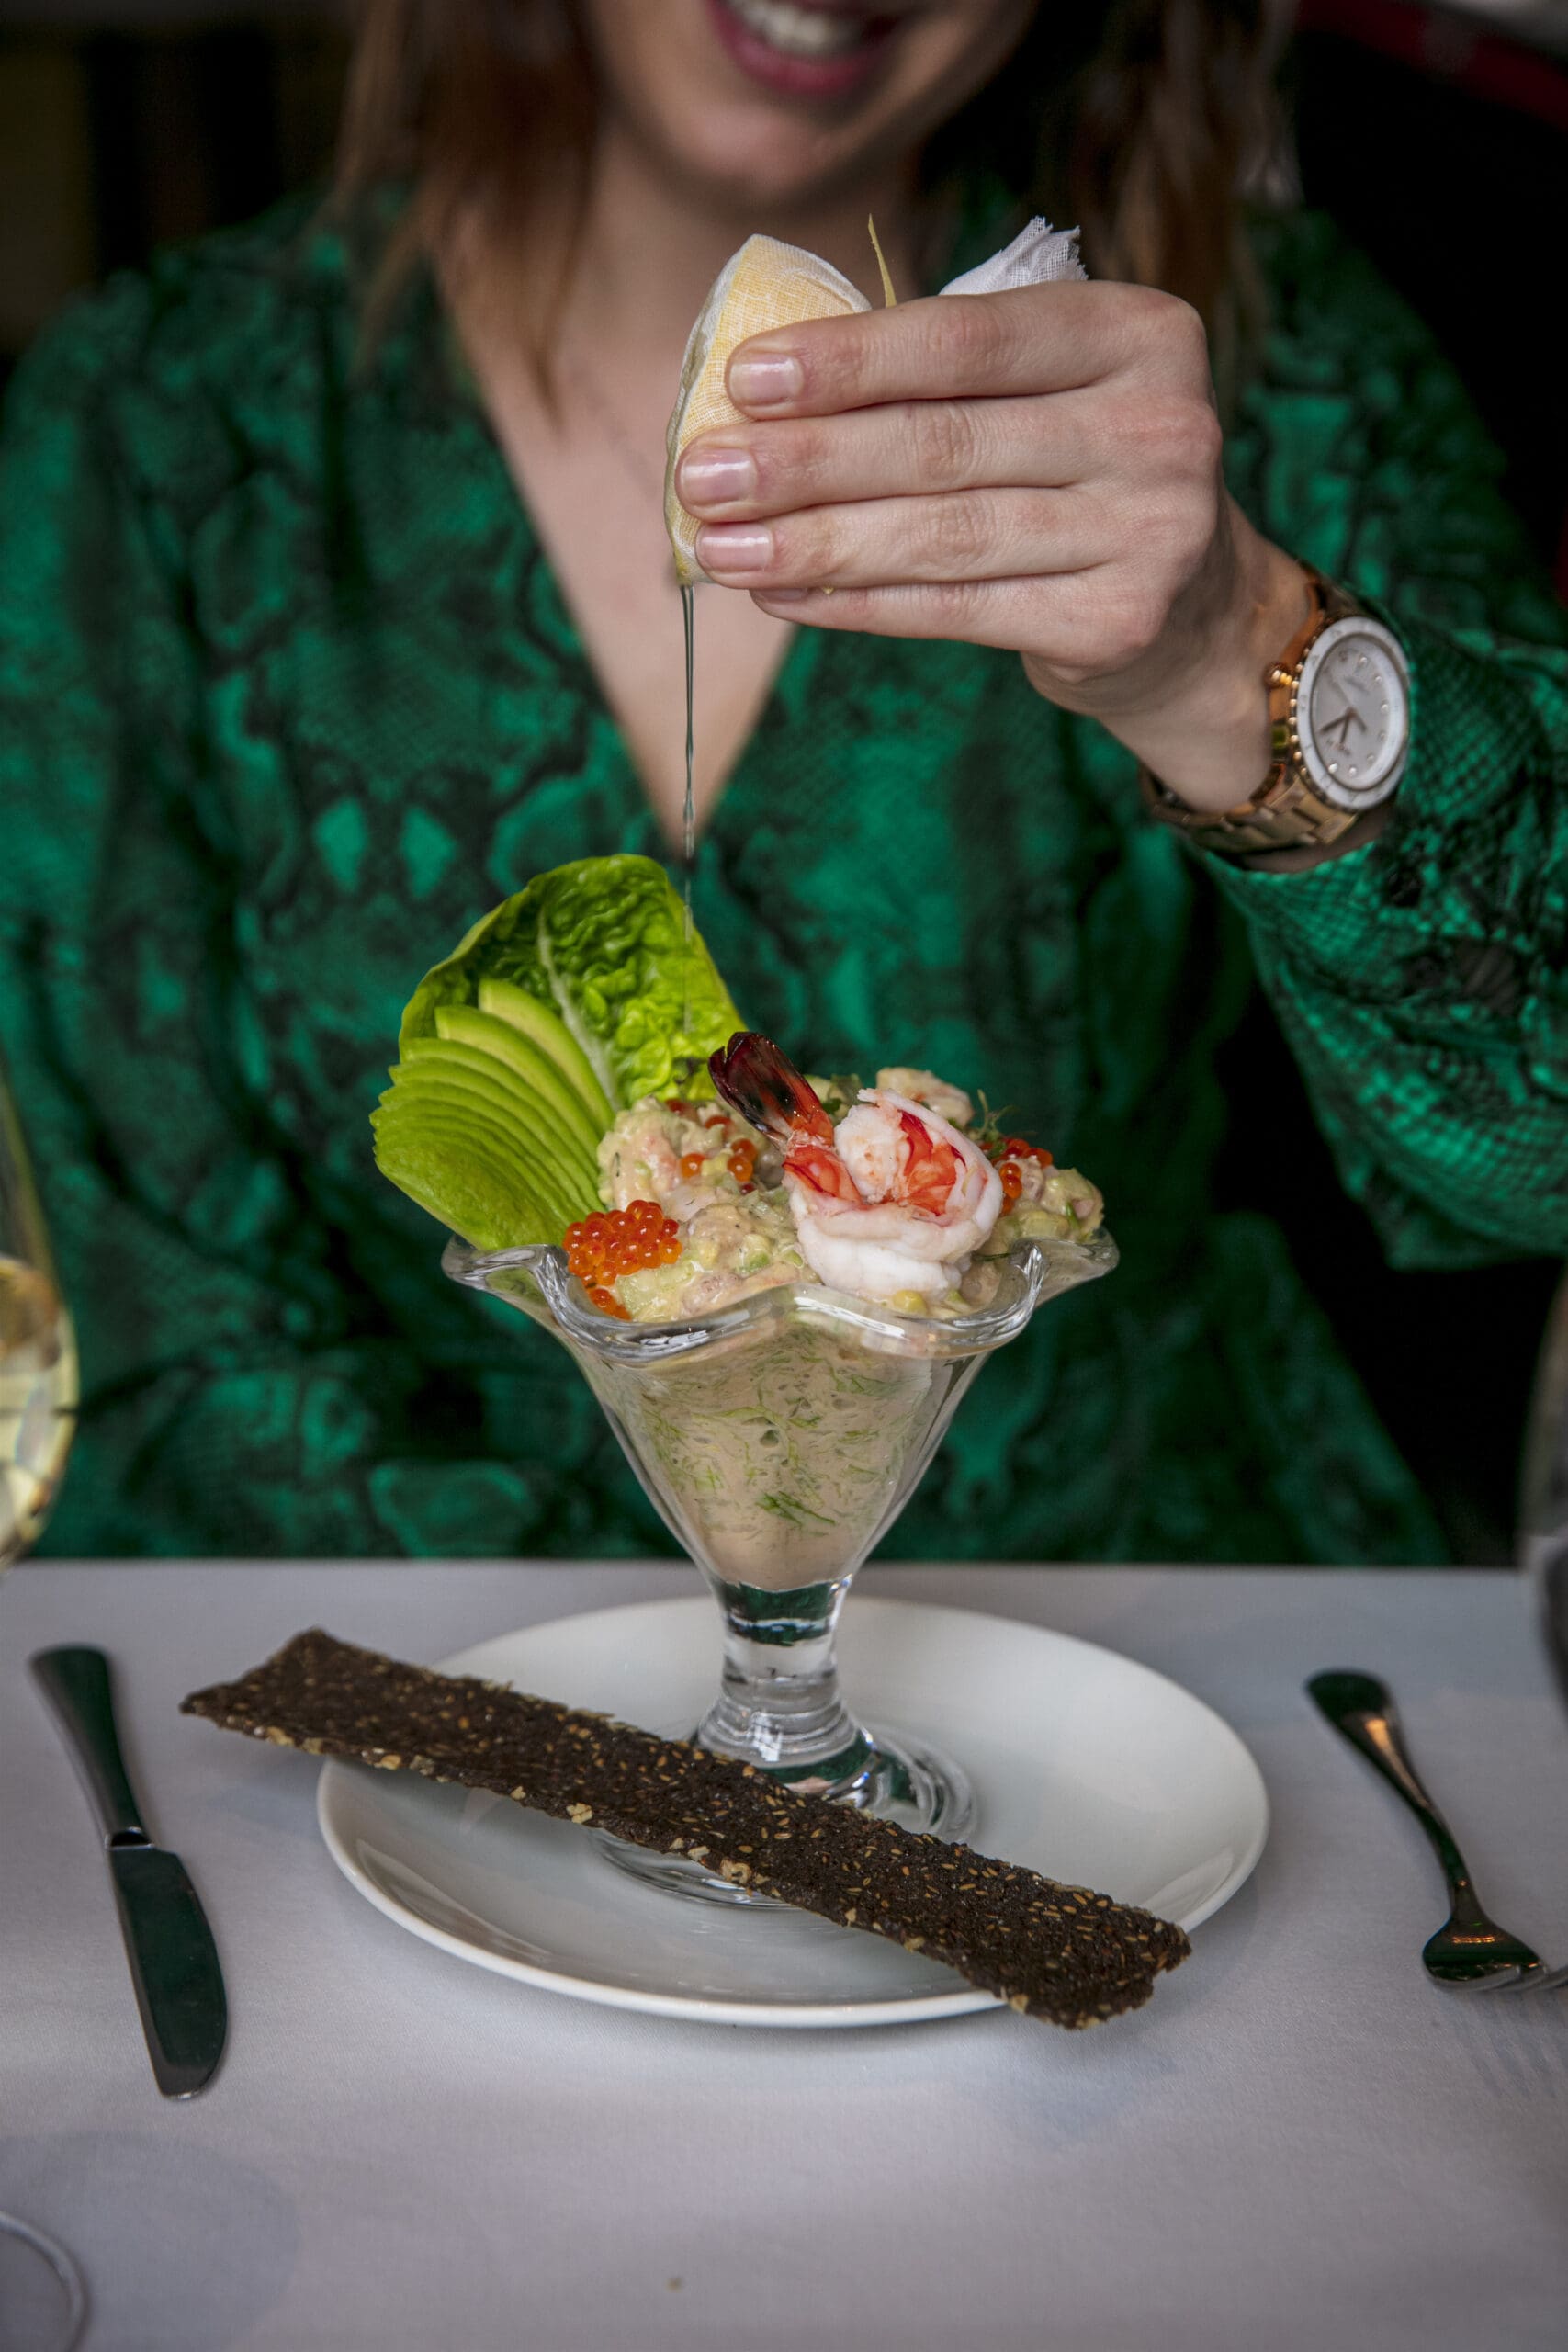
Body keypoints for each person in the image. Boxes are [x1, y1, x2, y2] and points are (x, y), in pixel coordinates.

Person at [1, 0, 1563, 1564]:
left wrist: (1237, 650)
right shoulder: (146, 424)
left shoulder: (1271, 365)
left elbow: (1535, 1166)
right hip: (406, 1660)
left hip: (1134, 1638)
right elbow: (142, 1295)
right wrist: (669, 1709)